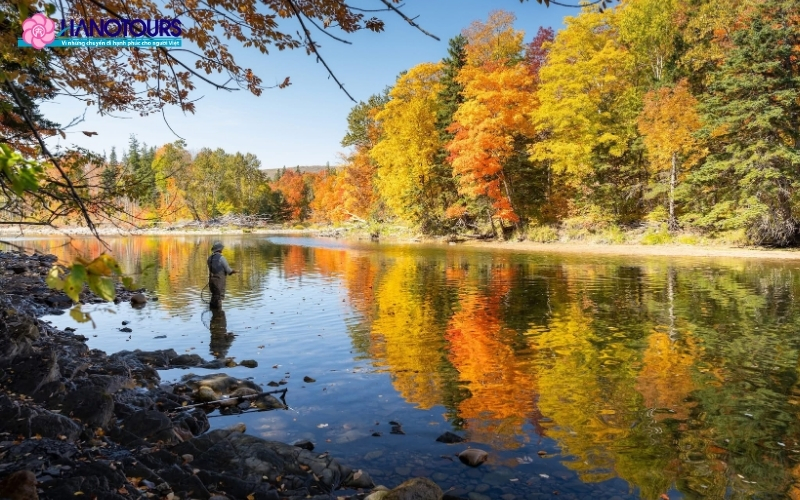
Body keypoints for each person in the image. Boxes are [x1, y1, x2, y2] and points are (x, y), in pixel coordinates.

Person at [207, 241, 236, 309]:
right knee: (218, 298)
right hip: (219, 282)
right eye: (222, 249)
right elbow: (229, 271)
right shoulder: (221, 258)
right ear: (220, 250)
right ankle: (218, 312)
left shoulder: (209, 258)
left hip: (211, 281)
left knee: (213, 296)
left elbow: (213, 269)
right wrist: (234, 271)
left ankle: (213, 312)